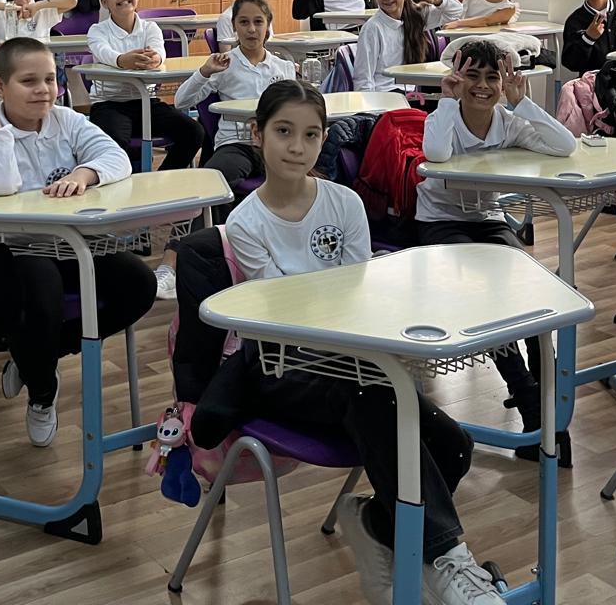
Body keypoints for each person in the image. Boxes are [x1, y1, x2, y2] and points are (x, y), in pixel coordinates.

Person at [192, 81, 502, 605]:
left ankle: (376, 523)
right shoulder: (245, 222)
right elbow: (283, 315)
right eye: (283, 132)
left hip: (352, 360)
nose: (297, 147)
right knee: (374, 397)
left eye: (311, 135)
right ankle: (448, 559)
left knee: (454, 446)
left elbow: (362, 293)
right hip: (279, 366)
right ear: (257, 135)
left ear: (323, 139)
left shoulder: (344, 202)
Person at [0, 38, 147, 447]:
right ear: (0, 87)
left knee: (139, 283)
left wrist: (84, 173)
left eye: (49, 79)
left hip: (63, 243)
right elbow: (1, 186)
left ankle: (35, 358)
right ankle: (42, 393)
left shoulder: (67, 120)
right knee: (40, 285)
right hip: (0, 247)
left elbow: (117, 158)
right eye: (29, 81)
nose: (43, 90)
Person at [417, 41, 576, 451]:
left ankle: (544, 396)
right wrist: (446, 100)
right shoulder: (443, 117)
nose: (483, 86)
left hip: (488, 221)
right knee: (487, 301)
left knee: (531, 291)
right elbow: (435, 153)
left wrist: (523, 103)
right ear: (457, 78)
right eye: (472, 75)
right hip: (440, 223)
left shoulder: (508, 122)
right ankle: (529, 400)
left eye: (493, 78)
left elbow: (565, 145)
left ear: (504, 83)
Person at [164, 0, 296, 298]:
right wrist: (205, 71)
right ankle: (174, 259)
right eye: (244, 22)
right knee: (212, 182)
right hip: (238, 145)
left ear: (268, 25)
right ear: (234, 26)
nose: (251, 29)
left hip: (275, 149)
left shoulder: (283, 67)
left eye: (258, 22)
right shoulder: (225, 64)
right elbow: (182, 101)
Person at [85, 0, 203, 170]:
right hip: (110, 105)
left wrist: (155, 59)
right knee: (114, 143)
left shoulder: (150, 28)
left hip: (147, 102)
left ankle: (162, 181)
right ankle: (125, 184)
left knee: (194, 132)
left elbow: (159, 52)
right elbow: (104, 53)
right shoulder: (97, 31)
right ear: (104, 2)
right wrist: (123, 60)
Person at [354, 0, 461, 93]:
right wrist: (371, 104)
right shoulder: (372, 28)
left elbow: (456, 12)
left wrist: (437, 0)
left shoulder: (416, 15)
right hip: (385, 94)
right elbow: (363, 78)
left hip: (411, 90)